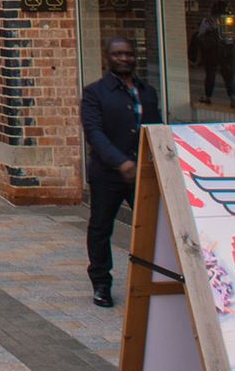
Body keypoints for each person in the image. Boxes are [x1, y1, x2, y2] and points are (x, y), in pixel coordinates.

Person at [81, 35, 162, 308]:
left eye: (128, 54)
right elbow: (94, 132)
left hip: (143, 172)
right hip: (108, 174)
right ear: (107, 57)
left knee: (154, 227)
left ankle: (155, 279)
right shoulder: (95, 93)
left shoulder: (147, 92)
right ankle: (101, 283)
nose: (124, 58)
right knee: (101, 227)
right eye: (118, 54)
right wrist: (120, 162)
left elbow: (157, 130)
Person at [194, 0, 235, 107]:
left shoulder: (208, 21)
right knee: (228, 75)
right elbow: (232, 37)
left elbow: (200, 35)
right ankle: (232, 98)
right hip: (226, 51)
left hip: (211, 52)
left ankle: (208, 97)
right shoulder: (228, 21)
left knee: (210, 74)